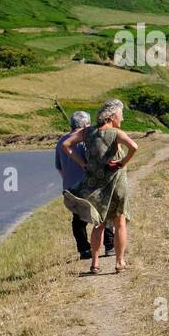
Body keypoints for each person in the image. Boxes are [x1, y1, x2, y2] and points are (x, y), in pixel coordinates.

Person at [60, 99, 138, 274]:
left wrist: (83, 164)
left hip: (95, 183)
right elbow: (134, 146)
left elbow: (66, 145)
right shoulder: (116, 133)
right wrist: (122, 163)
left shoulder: (87, 131)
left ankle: (94, 264)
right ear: (113, 116)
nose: (122, 119)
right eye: (121, 115)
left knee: (99, 223)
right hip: (116, 182)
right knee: (119, 221)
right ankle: (119, 262)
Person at [55, 111, 114, 260]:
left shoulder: (61, 141)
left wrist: (68, 180)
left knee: (78, 219)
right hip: (89, 185)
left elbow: (59, 167)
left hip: (69, 187)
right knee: (102, 214)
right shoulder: (85, 141)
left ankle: (84, 250)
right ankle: (109, 245)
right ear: (85, 125)